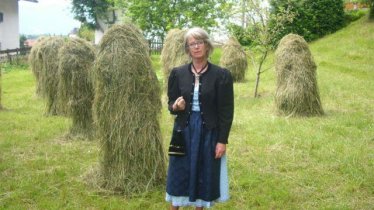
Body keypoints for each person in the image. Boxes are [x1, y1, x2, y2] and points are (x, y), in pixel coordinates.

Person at [165, 27, 234, 209]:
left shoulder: (221, 75)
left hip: (208, 132)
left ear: (207, 45)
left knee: (203, 174)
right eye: (192, 44)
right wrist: (175, 106)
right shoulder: (177, 73)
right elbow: (171, 103)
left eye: (199, 42)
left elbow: (226, 111)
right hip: (183, 131)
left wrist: (222, 141)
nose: (196, 47)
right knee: (178, 175)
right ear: (187, 49)